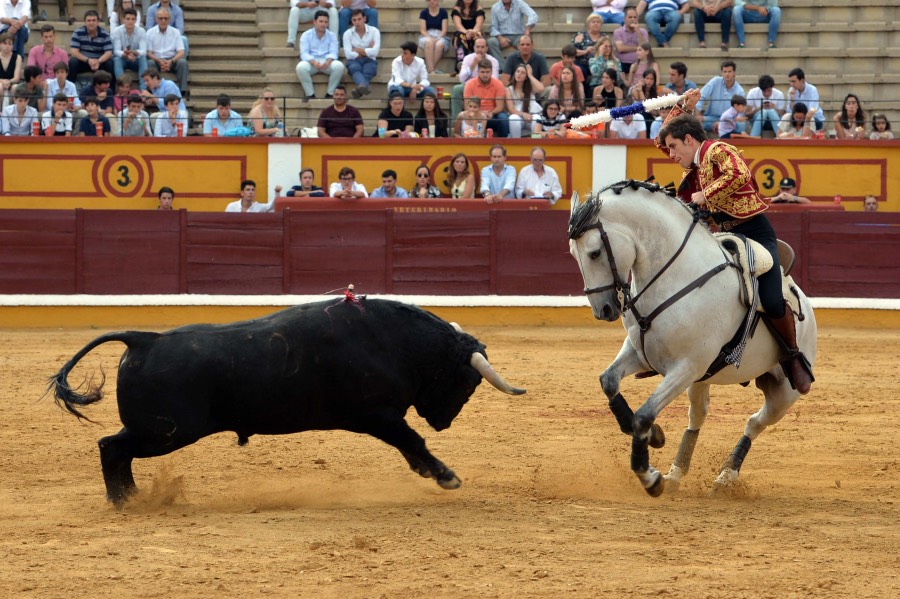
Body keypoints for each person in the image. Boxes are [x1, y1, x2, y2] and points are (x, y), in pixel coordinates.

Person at [655, 87, 813, 394]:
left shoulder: (716, 150)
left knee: (769, 296)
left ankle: (792, 355)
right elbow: (662, 139)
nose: (670, 155)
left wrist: (705, 194)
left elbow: (739, 175)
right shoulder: (695, 162)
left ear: (690, 140)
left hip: (753, 231)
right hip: (721, 235)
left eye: (675, 147)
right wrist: (680, 108)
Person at [296, 10, 344, 101]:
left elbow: (334, 52)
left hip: (327, 61)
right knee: (300, 67)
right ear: (314, 22)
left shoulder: (332, 35)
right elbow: (304, 53)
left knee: (339, 66)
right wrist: (313, 62)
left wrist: (328, 61)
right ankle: (310, 94)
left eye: (326, 22)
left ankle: (330, 94)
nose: (323, 24)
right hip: (311, 61)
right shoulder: (306, 35)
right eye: (321, 21)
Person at [450, 36, 498, 122]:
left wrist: (482, 79)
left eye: (482, 47)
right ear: (474, 48)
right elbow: (461, 78)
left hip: (487, 86)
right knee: (457, 89)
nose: (480, 49)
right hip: (469, 86)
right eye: (478, 47)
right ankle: (455, 121)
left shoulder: (493, 61)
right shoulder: (468, 58)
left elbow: (494, 79)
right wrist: (474, 64)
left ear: (487, 48)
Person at [463, 58, 510, 137]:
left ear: (491, 72)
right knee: (469, 114)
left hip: (492, 114)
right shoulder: (469, 84)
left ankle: (504, 143)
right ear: (478, 72)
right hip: (475, 113)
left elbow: (500, 107)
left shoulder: (498, 84)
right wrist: (480, 113)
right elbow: (467, 106)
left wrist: (491, 113)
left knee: (503, 118)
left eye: (487, 72)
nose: (485, 75)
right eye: (482, 72)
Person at [696, 60, 743, 132]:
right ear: (722, 73)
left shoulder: (739, 91)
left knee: (741, 125)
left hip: (728, 120)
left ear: (734, 73)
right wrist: (698, 113)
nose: (727, 74)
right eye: (725, 72)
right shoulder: (715, 81)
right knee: (698, 122)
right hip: (711, 118)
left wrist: (722, 123)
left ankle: (720, 128)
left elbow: (740, 113)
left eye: (729, 72)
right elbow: (701, 96)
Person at [68, 11, 115, 84]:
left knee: (110, 63)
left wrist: (98, 61)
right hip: (84, 62)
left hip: (99, 62)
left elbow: (109, 52)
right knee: (72, 62)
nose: (91, 23)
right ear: (85, 22)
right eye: (89, 20)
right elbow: (74, 52)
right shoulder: (77, 33)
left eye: (94, 20)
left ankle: (111, 92)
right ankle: (70, 91)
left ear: (98, 22)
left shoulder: (105, 34)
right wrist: (88, 60)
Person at [342, 8, 379, 98]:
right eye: (354, 20)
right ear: (351, 21)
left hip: (369, 60)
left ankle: (359, 89)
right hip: (354, 61)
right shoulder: (347, 33)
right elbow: (348, 54)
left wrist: (357, 50)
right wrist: (367, 50)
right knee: (354, 67)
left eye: (359, 19)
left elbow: (375, 52)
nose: (357, 22)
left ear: (364, 19)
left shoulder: (374, 31)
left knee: (369, 70)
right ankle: (363, 86)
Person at [111, 8, 148, 89]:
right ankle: (122, 88)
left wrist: (135, 52)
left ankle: (143, 89)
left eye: (133, 19)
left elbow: (144, 51)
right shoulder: (117, 31)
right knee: (117, 59)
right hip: (123, 59)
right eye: (128, 19)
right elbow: (116, 51)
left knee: (143, 58)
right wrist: (125, 54)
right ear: (123, 19)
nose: (130, 21)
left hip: (135, 58)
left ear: (136, 20)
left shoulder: (141, 31)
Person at [506, 63, 541, 138]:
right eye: (518, 71)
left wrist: (530, 75)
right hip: (519, 116)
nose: (519, 74)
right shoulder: (509, 89)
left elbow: (541, 88)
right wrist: (523, 114)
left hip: (531, 115)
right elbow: (511, 109)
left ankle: (536, 142)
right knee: (513, 118)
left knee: (537, 118)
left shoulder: (531, 87)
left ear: (526, 77)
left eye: (523, 73)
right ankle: (516, 143)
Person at [612, 7, 647, 76]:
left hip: (639, 63)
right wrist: (638, 47)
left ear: (638, 19)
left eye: (635, 17)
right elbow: (620, 49)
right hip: (622, 63)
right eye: (630, 17)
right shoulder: (618, 32)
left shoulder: (643, 32)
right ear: (624, 19)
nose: (633, 19)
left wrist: (638, 31)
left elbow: (645, 48)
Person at [450, 0, 484, 72]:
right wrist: (467, 33)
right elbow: (458, 26)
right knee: (460, 36)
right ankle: (461, 62)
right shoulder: (457, 10)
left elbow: (478, 26)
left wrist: (472, 32)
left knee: (478, 36)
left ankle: (480, 62)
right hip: (462, 33)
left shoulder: (479, 9)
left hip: (475, 32)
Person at [418, 0, 449, 74]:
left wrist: (437, 38)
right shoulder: (424, 13)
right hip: (427, 34)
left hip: (440, 34)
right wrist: (430, 38)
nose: (432, 1)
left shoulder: (443, 12)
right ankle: (432, 70)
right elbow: (423, 30)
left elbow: (444, 30)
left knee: (439, 44)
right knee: (428, 42)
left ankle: (430, 70)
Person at [0, 32, 22, 104]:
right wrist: (2, 81)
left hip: (11, 83)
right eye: (5, 43)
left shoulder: (17, 57)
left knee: (15, 88)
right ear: (0, 44)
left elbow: (16, 78)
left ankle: (12, 110)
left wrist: (9, 82)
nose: (7, 46)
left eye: (10, 44)